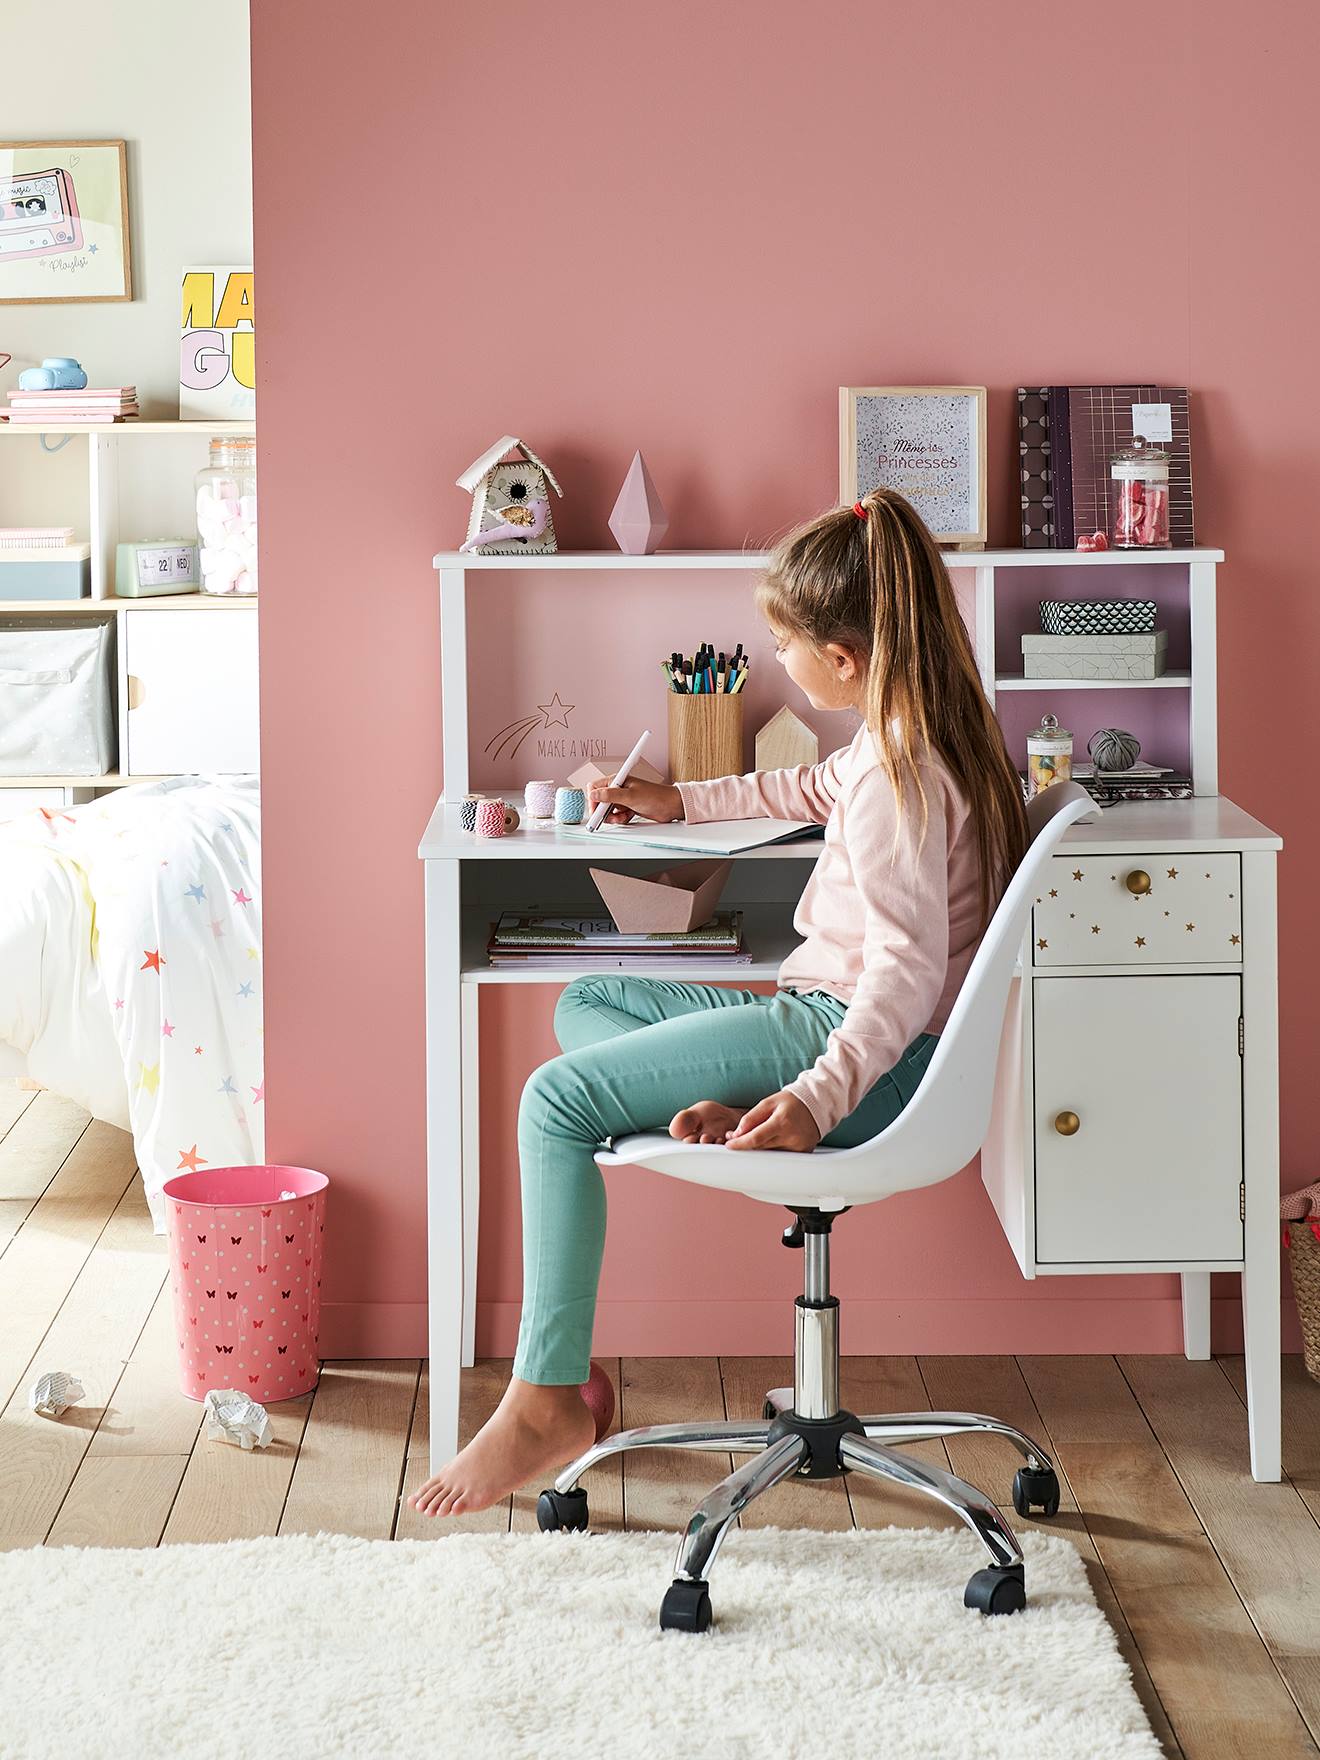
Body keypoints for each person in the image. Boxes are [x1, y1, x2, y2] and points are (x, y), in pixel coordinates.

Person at [410, 488, 1026, 1517]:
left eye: (786, 644)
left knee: (555, 1102)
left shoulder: (901, 776)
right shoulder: (907, 735)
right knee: (595, 997)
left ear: (842, 655)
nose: (777, 659)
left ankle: (545, 1396)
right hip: (825, 1027)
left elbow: (903, 975)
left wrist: (814, 1101)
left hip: (848, 1050)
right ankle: (711, 1106)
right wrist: (681, 800)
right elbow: (802, 790)